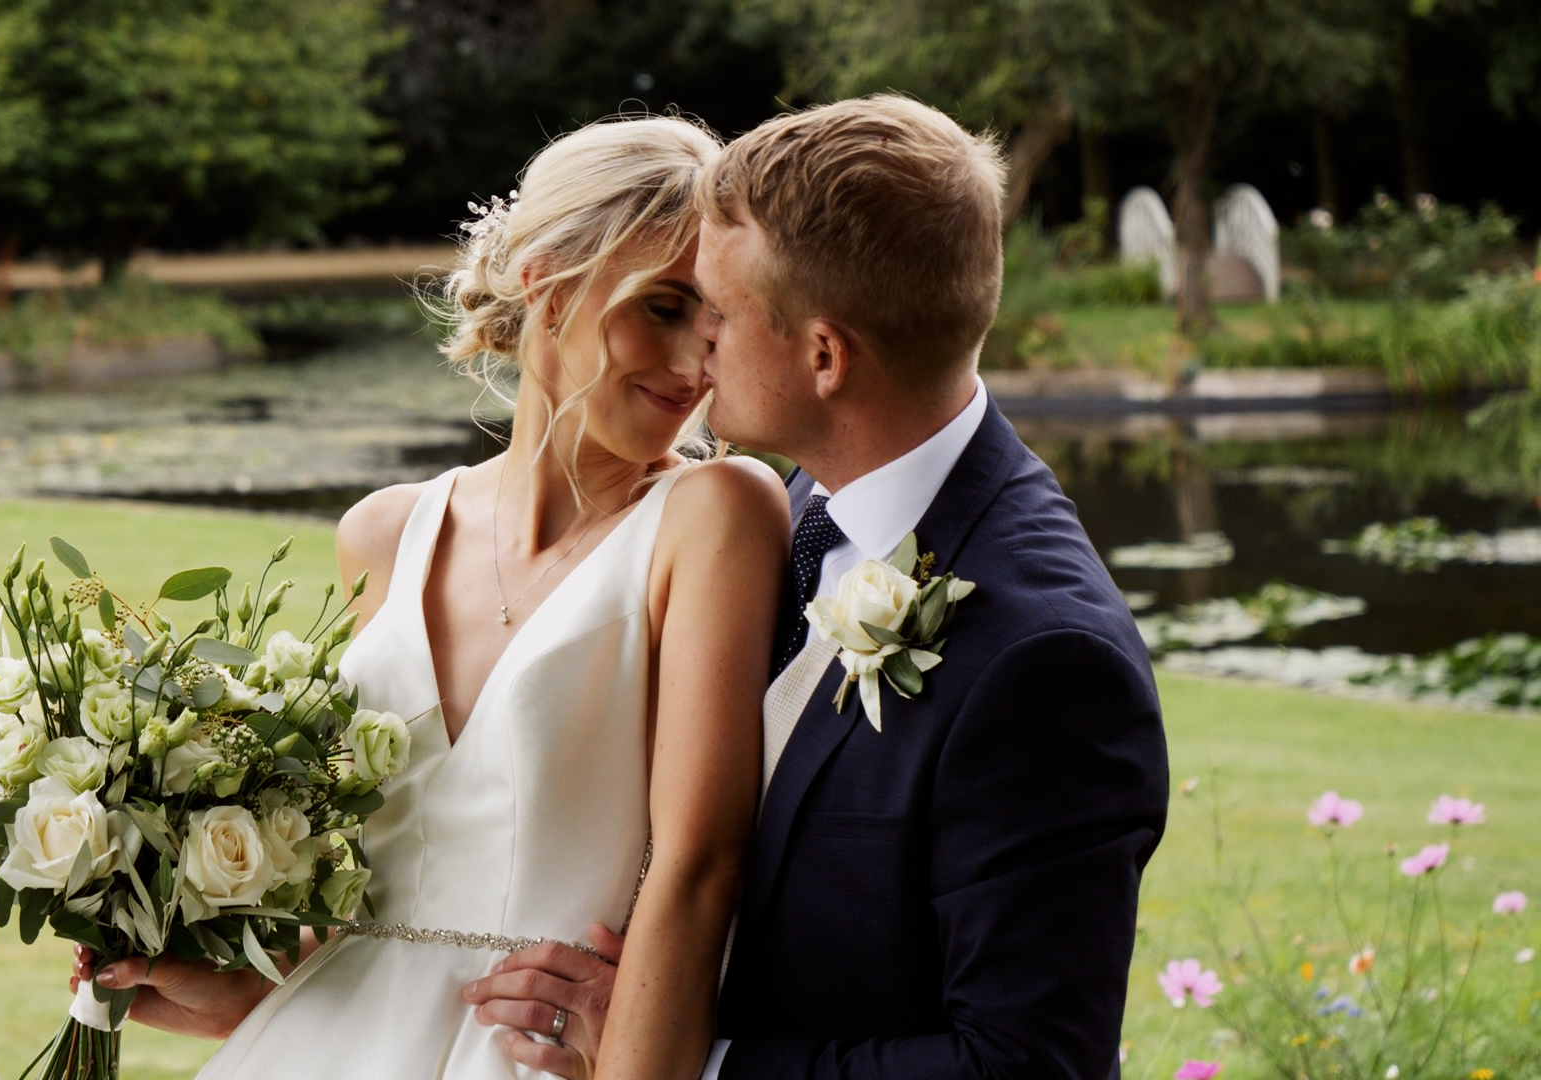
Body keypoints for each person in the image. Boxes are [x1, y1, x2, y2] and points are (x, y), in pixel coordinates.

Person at [466, 96, 1172, 1080]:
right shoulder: (783, 516)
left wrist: (693, 1063)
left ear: (825, 356)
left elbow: (1027, 1063)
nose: (698, 342)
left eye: (719, 308)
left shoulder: (1044, 661)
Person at [73, 115, 791, 1079]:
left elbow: (701, 873)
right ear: (546, 279)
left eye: (715, 324)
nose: (692, 365)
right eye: (661, 308)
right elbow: (377, 889)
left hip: (538, 1059)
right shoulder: (385, 531)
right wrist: (221, 981)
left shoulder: (716, 513)